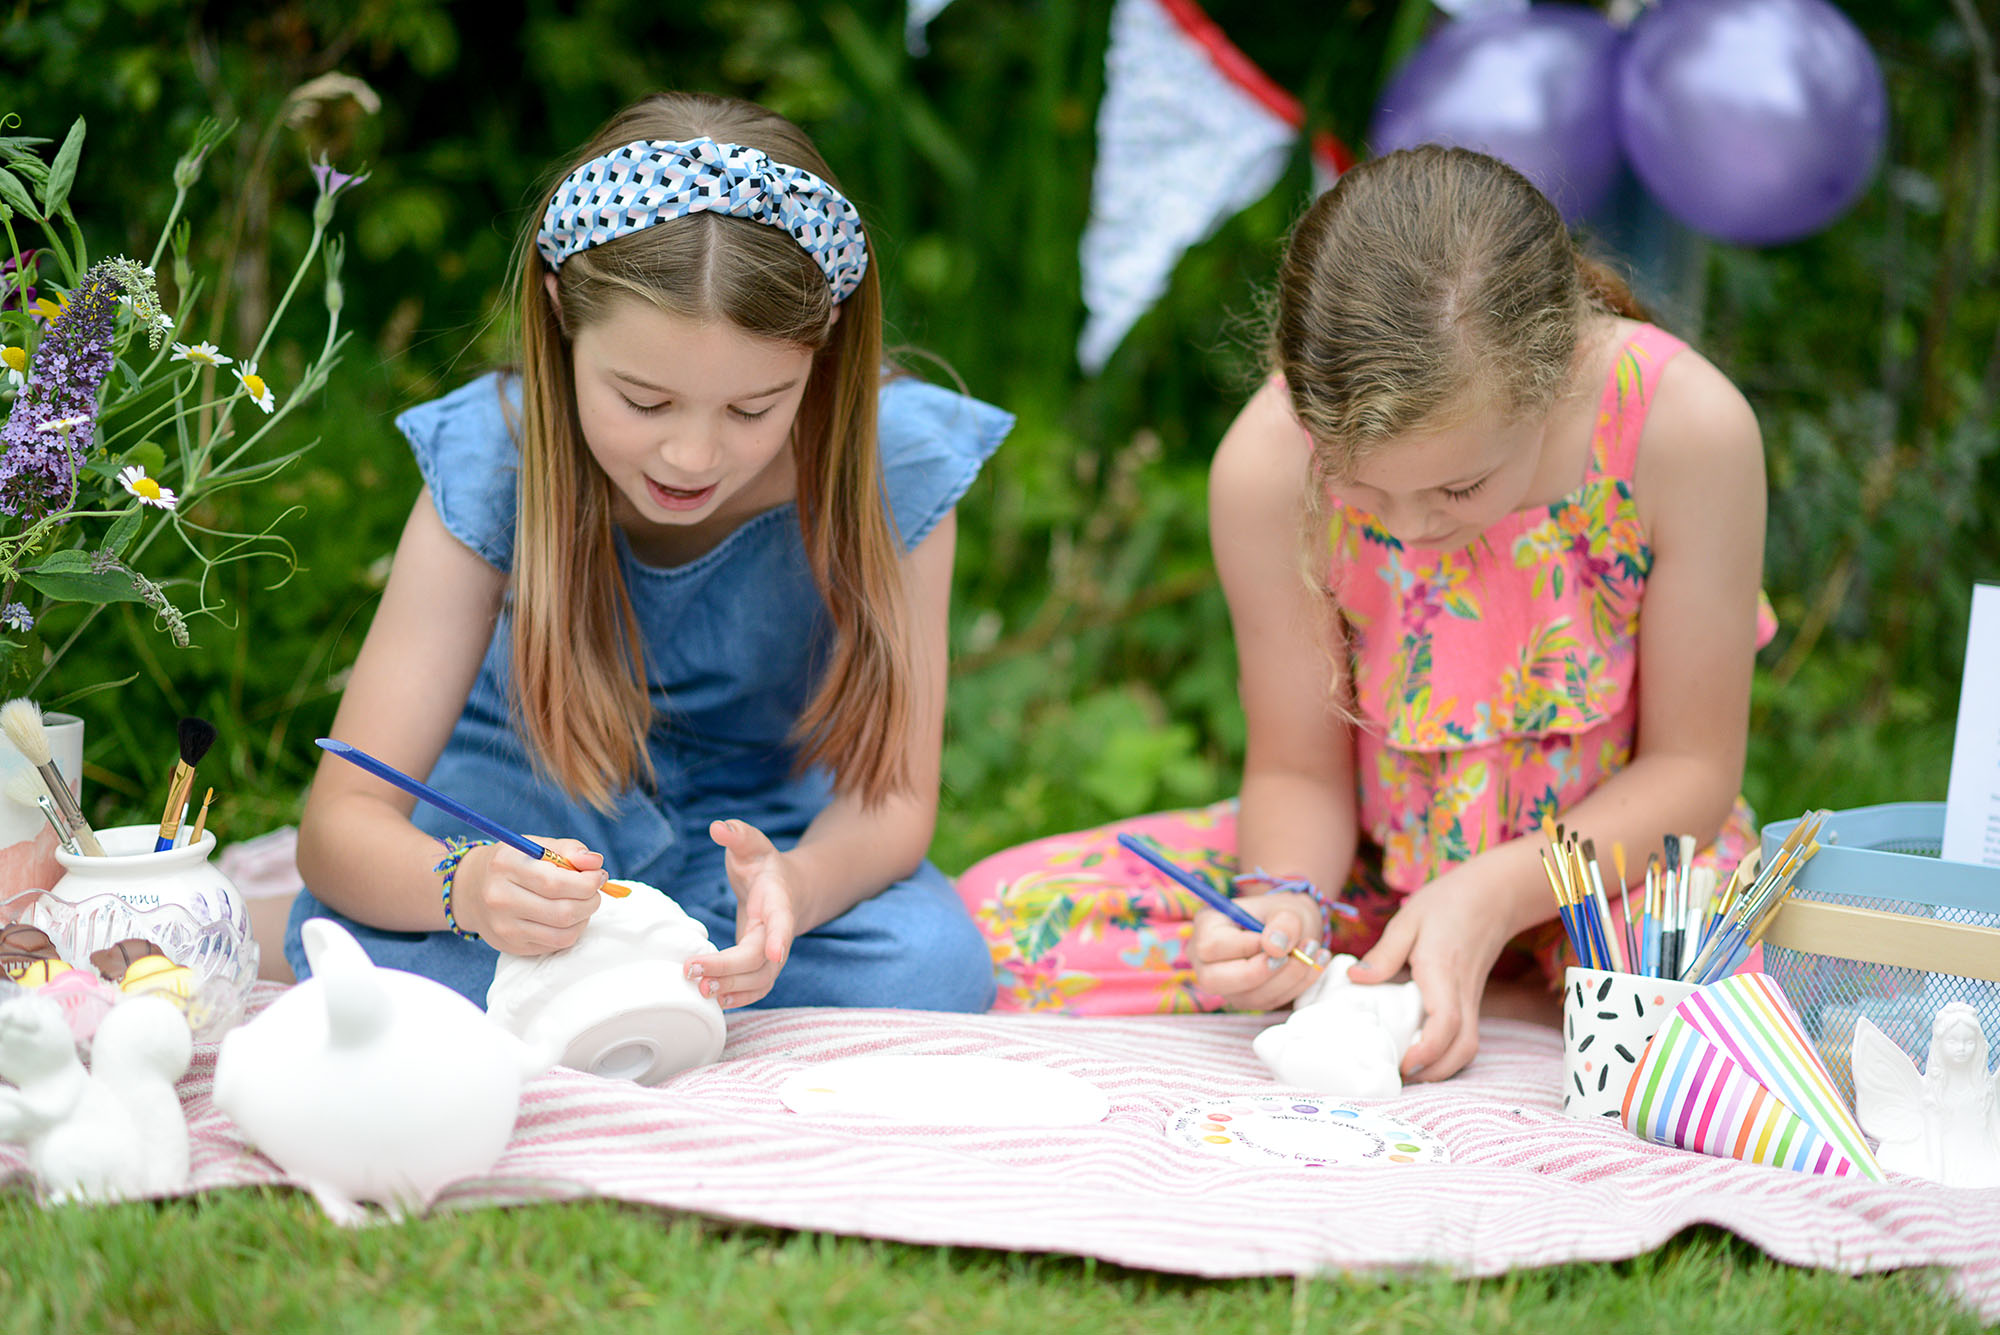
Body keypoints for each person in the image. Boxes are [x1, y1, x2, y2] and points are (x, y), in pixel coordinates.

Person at [957, 146, 1774, 1081]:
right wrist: (1282, 902)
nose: (1409, 528)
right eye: (1357, 487)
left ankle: (1475, 989)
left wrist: (1492, 899)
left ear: (1554, 375)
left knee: (1699, 1025)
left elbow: (1692, 771)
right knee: (1006, 922)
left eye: (1458, 487)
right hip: (1374, 880)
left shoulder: (1683, 429)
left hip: (1617, 871)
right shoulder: (1269, 464)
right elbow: (1300, 772)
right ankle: (1450, 992)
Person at [291, 92, 1011, 1013]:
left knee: (933, 968)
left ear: (822, 346)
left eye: (754, 409)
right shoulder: (494, 458)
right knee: (358, 936)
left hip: (758, 833)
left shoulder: (894, 464)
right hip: (525, 810)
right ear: (559, 314)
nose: (692, 456)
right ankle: (635, 987)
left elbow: (890, 805)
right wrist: (467, 888)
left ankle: (619, 990)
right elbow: (342, 824)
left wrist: (796, 888)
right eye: (643, 400)